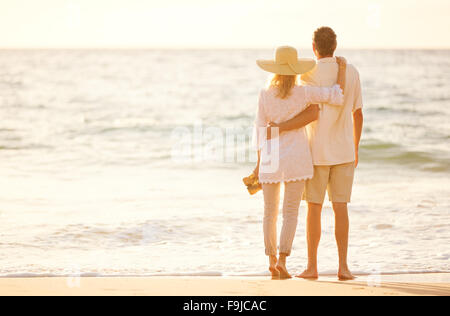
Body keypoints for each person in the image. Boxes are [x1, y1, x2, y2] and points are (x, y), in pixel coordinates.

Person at [269, 27, 364, 280]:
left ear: (314, 47)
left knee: (314, 208)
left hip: (316, 152)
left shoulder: (307, 73)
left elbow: (303, 109)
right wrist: (355, 148)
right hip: (344, 151)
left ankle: (312, 267)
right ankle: (344, 267)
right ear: (335, 45)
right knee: (341, 208)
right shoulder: (352, 71)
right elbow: (358, 114)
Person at [253, 46, 347, 279]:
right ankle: (283, 261)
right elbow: (337, 95)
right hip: (295, 155)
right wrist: (342, 69)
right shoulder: (303, 92)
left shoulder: (265, 94)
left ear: (275, 70)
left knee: (269, 213)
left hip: (270, 157)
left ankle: (271, 260)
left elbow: (260, 131)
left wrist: (257, 164)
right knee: (291, 211)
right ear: (295, 70)